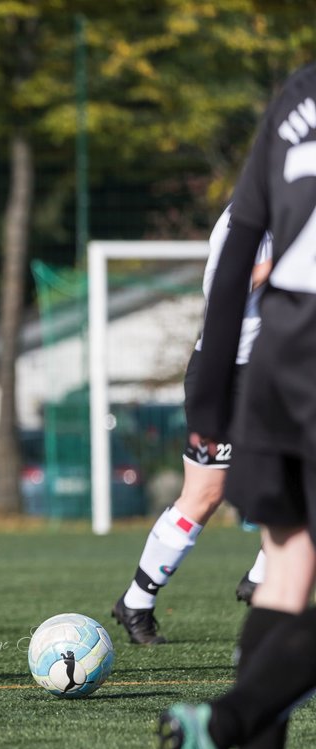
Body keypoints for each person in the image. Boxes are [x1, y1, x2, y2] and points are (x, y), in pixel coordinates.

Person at [158, 63, 316, 749]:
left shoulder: (293, 99)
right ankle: (214, 727)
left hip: (281, 357)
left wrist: (210, 392)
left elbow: (234, 254)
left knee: (286, 572)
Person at [111, 206, 273, 646]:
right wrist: (284, 265)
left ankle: (265, 577)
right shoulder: (248, 216)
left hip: (277, 373)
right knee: (204, 494)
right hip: (226, 374)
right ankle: (137, 602)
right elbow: (223, 290)